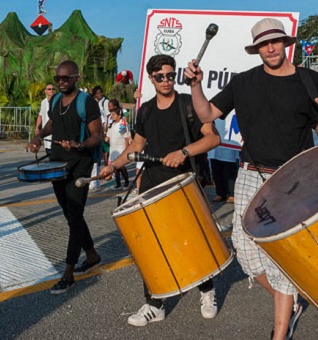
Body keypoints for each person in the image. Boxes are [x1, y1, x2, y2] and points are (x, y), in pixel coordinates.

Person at [184, 18, 318, 340]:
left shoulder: (309, 80)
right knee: (245, 250)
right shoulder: (244, 82)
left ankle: (280, 333)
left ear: (285, 44)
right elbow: (207, 115)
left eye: (275, 41)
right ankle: (290, 301)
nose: (270, 48)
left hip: (294, 177)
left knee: (282, 252)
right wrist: (195, 85)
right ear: (256, 50)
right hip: (251, 173)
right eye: (263, 44)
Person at [100, 54, 221, 327]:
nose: (165, 80)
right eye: (159, 76)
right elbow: (137, 146)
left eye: (170, 75)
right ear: (151, 78)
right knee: (152, 245)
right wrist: (114, 165)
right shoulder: (145, 111)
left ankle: (207, 291)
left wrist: (183, 152)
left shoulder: (188, 105)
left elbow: (213, 137)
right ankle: (154, 303)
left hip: (184, 182)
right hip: (153, 183)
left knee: (193, 240)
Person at [27, 60, 103, 294]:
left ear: (76, 78)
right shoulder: (57, 100)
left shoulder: (87, 102)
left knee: (75, 214)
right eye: (58, 78)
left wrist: (79, 144)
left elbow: (97, 136)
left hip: (79, 164)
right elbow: (52, 123)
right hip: (57, 164)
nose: (61, 81)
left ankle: (68, 272)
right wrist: (39, 137)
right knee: (71, 216)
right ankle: (91, 255)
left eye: (66, 78)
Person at [209, 116, 239, 203]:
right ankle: (220, 193)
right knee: (216, 167)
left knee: (229, 168)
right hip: (215, 135)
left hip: (229, 136)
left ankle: (231, 193)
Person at [104, 99, 131, 189]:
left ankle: (126, 182)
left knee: (121, 166)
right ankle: (118, 184)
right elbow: (108, 136)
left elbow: (126, 137)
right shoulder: (112, 125)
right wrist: (105, 138)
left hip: (121, 148)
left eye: (114, 115)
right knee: (115, 168)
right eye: (112, 115)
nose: (112, 117)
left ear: (119, 115)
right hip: (113, 149)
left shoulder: (123, 124)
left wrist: (126, 149)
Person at [35, 84, 56, 155]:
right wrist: (37, 127)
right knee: (48, 150)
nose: (52, 91)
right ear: (45, 91)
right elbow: (40, 115)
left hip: (55, 132)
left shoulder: (58, 101)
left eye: (53, 89)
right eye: (49, 89)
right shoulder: (43, 102)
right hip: (46, 131)